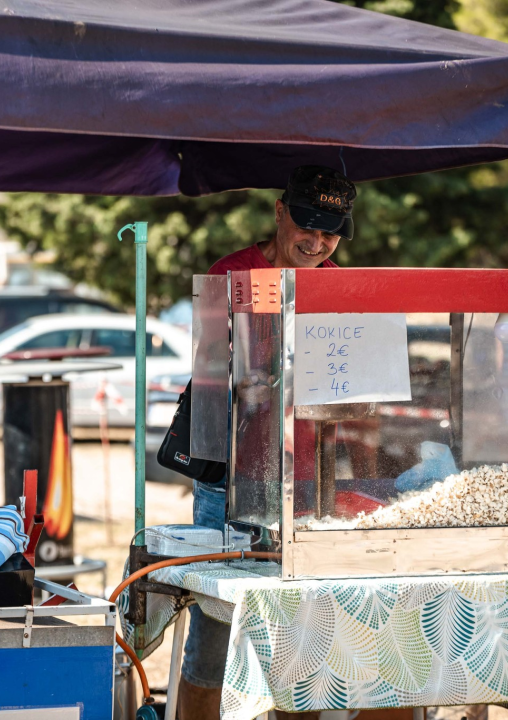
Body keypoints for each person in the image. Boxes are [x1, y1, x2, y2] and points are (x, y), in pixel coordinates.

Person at [179, 165, 354, 720]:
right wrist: (249, 376)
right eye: (308, 226)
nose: (318, 242)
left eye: (330, 233)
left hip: (307, 474)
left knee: (301, 624)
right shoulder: (230, 273)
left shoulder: (334, 278)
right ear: (280, 212)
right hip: (230, 474)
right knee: (213, 629)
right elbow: (207, 375)